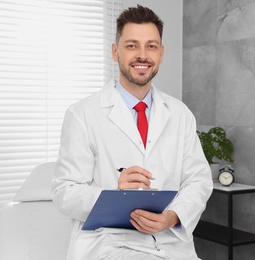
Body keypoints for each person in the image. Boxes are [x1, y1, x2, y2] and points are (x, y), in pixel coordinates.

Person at [52, 5, 213, 260]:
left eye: (151, 46)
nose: (142, 55)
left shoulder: (180, 114)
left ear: (161, 54)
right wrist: (112, 194)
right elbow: (64, 191)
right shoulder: (82, 114)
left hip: (169, 242)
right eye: (131, 45)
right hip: (107, 242)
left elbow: (199, 181)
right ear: (115, 52)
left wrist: (172, 217)